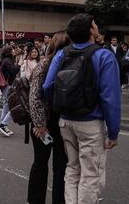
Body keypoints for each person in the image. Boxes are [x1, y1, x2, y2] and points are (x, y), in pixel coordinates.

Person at [43, 14, 121, 204]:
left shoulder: (62, 54)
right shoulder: (104, 56)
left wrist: (59, 106)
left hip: (65, 121)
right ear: (91, 31)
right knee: (91, 173)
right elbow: (110, 98)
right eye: (95, 25)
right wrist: (113, 132)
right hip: (91, 123)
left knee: (72, 168)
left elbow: (47, 86)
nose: (97, 28)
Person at [28, 31, 69, 204]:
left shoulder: (67, 63)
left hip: (61, 122)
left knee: (59, 166)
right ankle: (37, 200)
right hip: (46, 121)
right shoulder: (45, 64)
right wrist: (39, 124)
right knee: (43, 164)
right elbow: (35, 96)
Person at [0, 45, 20, 136]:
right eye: (12, 49)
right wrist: (19, 65)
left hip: (5, 85)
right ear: (9, 52)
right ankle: (3, 124)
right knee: (14, 105)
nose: (14, 50)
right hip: (7, 85)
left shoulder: (5, 60)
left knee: (6, 105)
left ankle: (2, 125)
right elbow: (13, 71)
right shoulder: (7, 60)